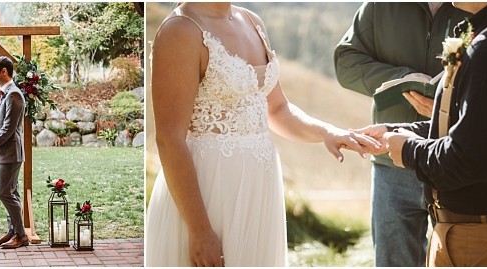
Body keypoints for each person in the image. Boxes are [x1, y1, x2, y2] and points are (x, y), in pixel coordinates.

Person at [145, 3, 380, 266]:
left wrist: (328, 132)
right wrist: (200, 230)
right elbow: (169, 138)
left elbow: (277, 109)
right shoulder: (180, 30)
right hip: (209, 192)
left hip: (259, 189)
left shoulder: (251, 21)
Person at [355, 2, 487, 266]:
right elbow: (475, 128)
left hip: (482, 238)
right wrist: (394, 131)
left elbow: (470, 158)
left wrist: (407, 151)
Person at [333, 3, 470, 266]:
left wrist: (449, 102)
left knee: (461, 260)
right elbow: (346, 63)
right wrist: (401, 78)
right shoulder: (380, 5)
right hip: (392, 163)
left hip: (456, 159)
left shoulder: (476, 6)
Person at [0, 56, 29, 249]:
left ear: (4, 71)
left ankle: (21, 235)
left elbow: (9, 127)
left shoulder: (14, 95)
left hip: (11, 153)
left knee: (5, 194)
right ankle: (13, 231)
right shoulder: (5, 93)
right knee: (12, 193)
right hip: (4, 153)